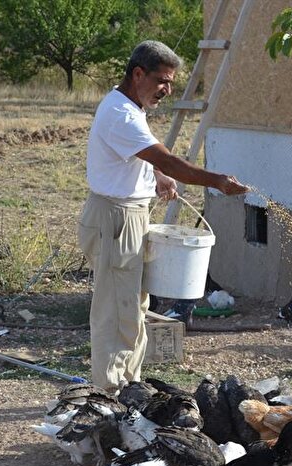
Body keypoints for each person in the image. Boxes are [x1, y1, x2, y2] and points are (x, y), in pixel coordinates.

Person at [80, 40, 248, 391]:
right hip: (117, 219)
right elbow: (170, 161)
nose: (167, 91)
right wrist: (216, 181)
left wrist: (155, 176)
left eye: (171, 83)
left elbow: (140, 158)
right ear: (138, 74)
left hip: (127, 215)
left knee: (134, 307)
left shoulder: (129, 107)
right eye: (162, 81)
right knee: (117, 312)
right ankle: (110, 393)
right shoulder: (122, 115)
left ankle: (130, 387)